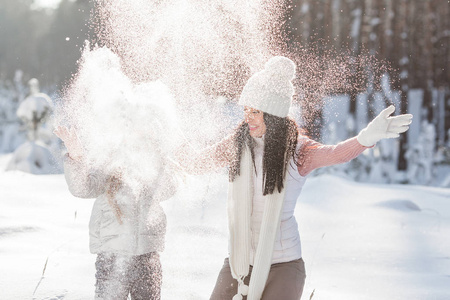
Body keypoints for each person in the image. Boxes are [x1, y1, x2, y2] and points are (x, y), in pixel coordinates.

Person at [176, 56, 413, 300]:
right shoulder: (238, 144)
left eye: (256, 111)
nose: (248, 118)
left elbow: (334, 154)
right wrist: (163, 134)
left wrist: (365, 138)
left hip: (284, 265)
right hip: (238, 264)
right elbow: (195, 164)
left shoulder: (298, 151)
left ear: (274, 114)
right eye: (246, 109)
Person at [54, 126, 177, 300]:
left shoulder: (153, 165)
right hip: (111, 257)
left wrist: (158, 158)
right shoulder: (107, 164)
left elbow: (170, 188)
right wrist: (77, 157)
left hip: (147, 257)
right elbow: (82, 188)